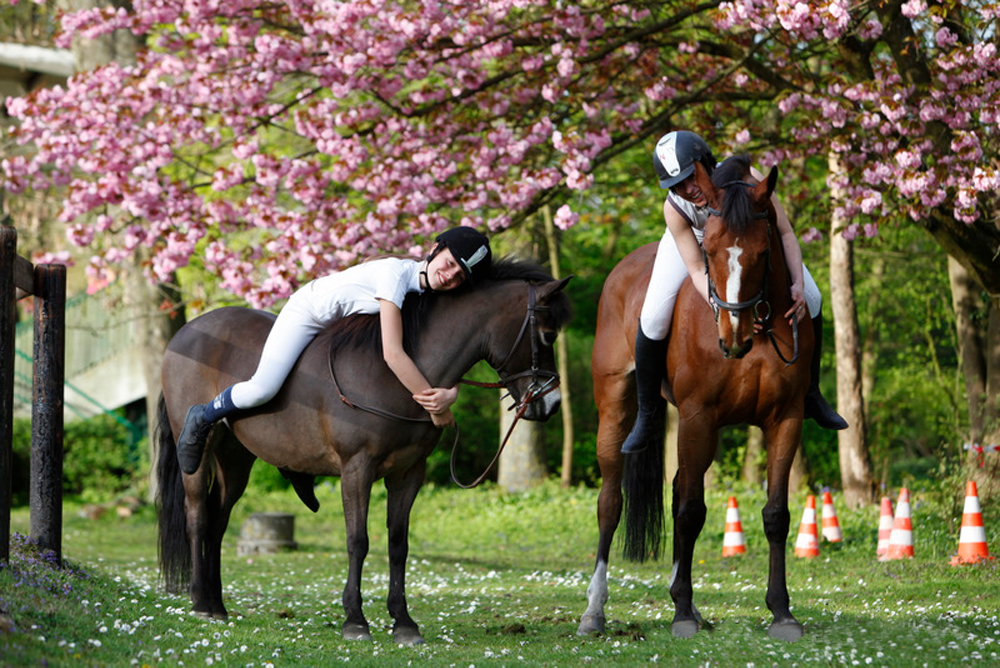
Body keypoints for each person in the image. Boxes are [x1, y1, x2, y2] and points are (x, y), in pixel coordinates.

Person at [175, 226, 493, 474]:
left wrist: (450, 393)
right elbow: (393, 354)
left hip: (340, 330)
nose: (450, 275)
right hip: (310, 313)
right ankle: (203, 416)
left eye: (460, 276)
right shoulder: (395, 275)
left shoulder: (426, 295)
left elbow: (439, 356)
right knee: (262, 389)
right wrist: (437, 409)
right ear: (435, 249)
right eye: (450, 263)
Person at [621, 130, 847, 454]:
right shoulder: (675, 209)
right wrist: (721, 307)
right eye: (677, 185)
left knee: (813, 298)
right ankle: (647, 414)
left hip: (741, 238)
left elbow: (784, 232)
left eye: (690, 178)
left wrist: (796, 283)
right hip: (697, 243)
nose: (687, 190)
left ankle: (811, 392)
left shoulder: (748, 179)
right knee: (654, 317)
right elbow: (697, 268)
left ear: (705, 165)